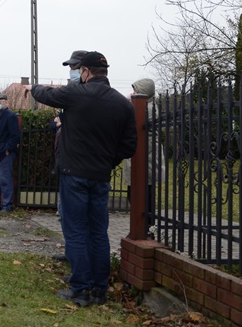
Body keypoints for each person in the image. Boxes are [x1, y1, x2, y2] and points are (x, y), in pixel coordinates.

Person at [24, 51, 137, 307]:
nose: (75, 74)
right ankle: (99, 290)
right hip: (99, 176)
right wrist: (107, 162)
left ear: (85, 72)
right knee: (98, 233)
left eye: (77, 70)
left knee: (75, 231)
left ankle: (80, 290)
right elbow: (129, 146)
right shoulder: (122, 104)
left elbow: (46, 95)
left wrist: (33, 87)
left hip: (73, 173)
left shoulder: (76, 94)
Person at [52, 50, 87, 262]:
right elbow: (55, 122)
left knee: (76, 218)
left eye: (74, 67)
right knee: (66, 215)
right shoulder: (73, 93)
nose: (71, 72)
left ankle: (79, 262)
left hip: (79, 165)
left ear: (85, 69)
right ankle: (71, 252)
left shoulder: (82, 93)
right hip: (66, 162)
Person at [123, 78, 163, 228]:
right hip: (140, 157)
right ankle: (142, 227)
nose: (133, 93)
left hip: (146, 158)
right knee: (135, 193)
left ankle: (146, 227)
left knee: (144, 195)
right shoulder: (144, 106)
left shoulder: (148, 108)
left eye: (136, 90)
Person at [0, 93, 20, 213]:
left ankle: (8, 205)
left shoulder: (10, 116)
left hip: (4, 153)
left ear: (6, 102)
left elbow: (15, 135)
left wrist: (7, 149)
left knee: (5, 179)